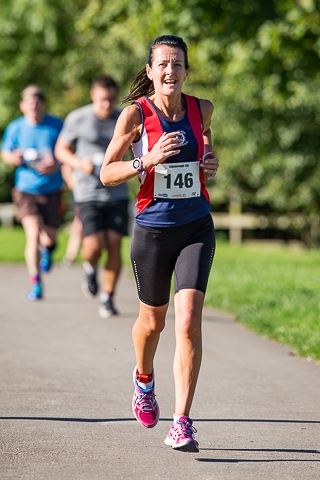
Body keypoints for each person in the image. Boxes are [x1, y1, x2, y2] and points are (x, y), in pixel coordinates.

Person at [100, 35, 219, 452]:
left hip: (195, 227)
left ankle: (182, 421)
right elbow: (106, 173)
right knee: (153, 322)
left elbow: (205, 145)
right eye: (163, 64)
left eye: (178, 64)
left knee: (187, 319)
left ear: (187, 70)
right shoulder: (135, 115)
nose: (171, 71)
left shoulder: (200, 109)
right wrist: (145, 160)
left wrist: (210, 161)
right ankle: (144, 379)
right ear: (150, 71)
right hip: (152, 230)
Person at [54, 75, 129, 318]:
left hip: (117, 192)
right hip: (87, 192)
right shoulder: (78, 118)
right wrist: (79, 163)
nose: (106, 105)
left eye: (110, 100)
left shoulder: (123, 118)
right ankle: (89, 266)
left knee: (115, 246)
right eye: (101, 100)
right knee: (94, 246)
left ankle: (107, 297)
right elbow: (60, 150)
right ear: (92, 96)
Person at [1, 85, 63, 301]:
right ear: (22, 105)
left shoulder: (56, 125)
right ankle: (35, 281)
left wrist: (55, 163)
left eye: (37, 100)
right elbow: (6, 153)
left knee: (49, 238)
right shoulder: (15, 128)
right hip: (25, 189)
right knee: (33, 233)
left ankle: (48, 250)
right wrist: (13, 158)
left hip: (52, 189)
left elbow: (66, 151)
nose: (33, 104)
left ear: (43, 104)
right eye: (29, 101)